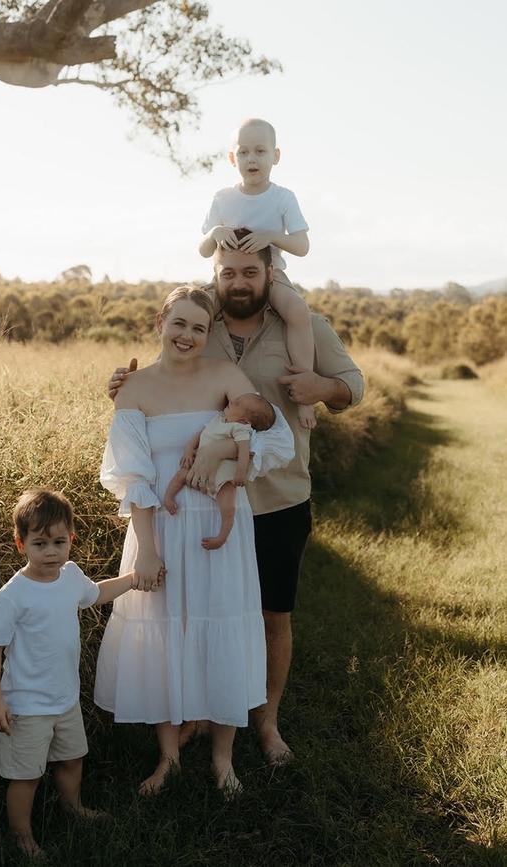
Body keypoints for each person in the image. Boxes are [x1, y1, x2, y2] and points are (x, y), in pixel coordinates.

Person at [109, 234, 364, 765]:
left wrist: (322, 388)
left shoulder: (304, 326)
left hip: (279, 494)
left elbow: (351, 386)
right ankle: (196, 713)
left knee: (271, 615)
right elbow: (162, 389)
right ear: (216, 275)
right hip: (206, 503)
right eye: (229, 274)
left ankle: (266, 724)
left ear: (270, 273)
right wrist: (125, 386)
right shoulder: (207, 326)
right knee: (197, 609)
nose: (239, 283)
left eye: (250, 273)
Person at [94, 286, 294, 797]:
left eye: (199, 328)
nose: (187, 336)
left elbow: (274, 436)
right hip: (160, 524)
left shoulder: (225, 376)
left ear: (210, 334)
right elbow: (133, 475)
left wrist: (221, 455)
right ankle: (170, 757)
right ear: (161, 321)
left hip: (218, 524)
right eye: (178, 323)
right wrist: (149, 547)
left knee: (223, 620)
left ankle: (223, 759)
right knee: (163, 629)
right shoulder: (133, 387)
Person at [0, 487, 145, 859]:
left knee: (73, 758)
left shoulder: (70, 576)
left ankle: (72, 806)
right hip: (26, 705)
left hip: (65, 698)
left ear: (71, 539)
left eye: (59, 541)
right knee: (27, 775)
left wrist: (132, 579)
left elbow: (95, 594)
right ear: (21, 544)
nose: (51, 551)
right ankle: (21, 835)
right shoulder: (14, 595)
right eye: (40, 544)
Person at [199, 117, 317, 430]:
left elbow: (302, 246)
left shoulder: (282, 197)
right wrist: (215, 232)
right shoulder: (222, 198)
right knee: (189, 311)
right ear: (232, 158)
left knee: (297, 310)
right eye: (244, 152)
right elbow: (203, 250)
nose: (252, 159)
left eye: (260, 151)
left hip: (270, 273)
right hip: (224, 278)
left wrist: (271, 236)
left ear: (275, 156)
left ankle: (304, 393)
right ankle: (168, 380)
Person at [163, 392, 275, 550]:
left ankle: (222, 537)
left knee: (228, 508)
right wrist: (189, 450)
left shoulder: (240, 428)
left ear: (245, 420)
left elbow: (244, 452)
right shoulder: (218, 419)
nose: (233, 401)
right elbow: (199, 435)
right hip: (199, 467)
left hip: (224, 478)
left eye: (238, 404)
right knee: (181, 474)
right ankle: (169, 497)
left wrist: (240, 473)